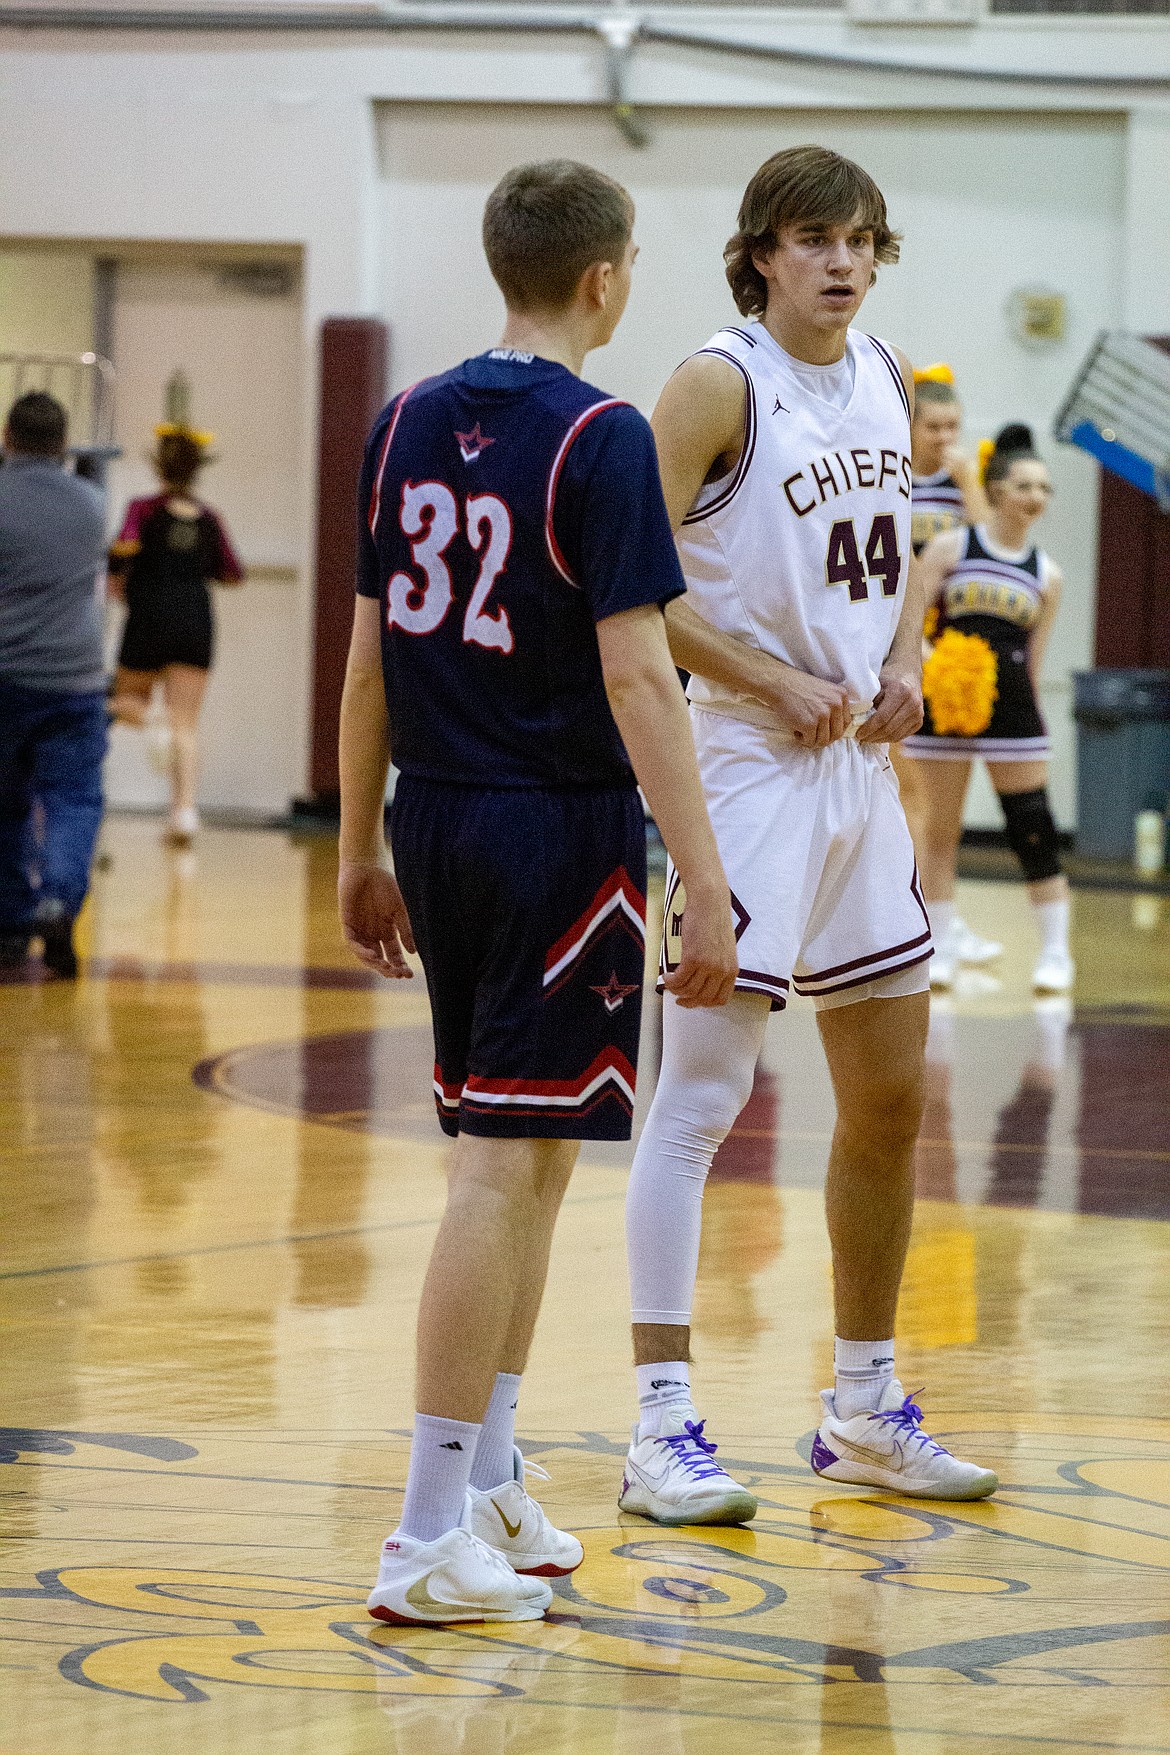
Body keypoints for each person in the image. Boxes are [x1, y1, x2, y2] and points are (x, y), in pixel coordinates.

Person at [338, 159, 738, 1625]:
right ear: (604, 278)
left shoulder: (397, 422)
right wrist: (705, 872)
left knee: (538, 1153)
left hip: (439, 816)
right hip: (551, 832)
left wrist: (353, 847)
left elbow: (370, 654)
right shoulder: (599, 435)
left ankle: (491, 1470)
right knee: (500, 1168)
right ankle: (424, 1530)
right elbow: (641, 670)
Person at [621, 144, 998, 1528]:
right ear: (760, 253)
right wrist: (762, 675)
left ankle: (860, 1402)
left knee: (890, 1099)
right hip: (738, 768)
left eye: (860, 239)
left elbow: (898, 548)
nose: (841, 261)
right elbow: (626, 587)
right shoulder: (712, 382)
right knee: (701, 1102)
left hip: (851, 776)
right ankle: (659, 1422)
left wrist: (903, 653)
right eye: (812, 238)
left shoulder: (890, 376)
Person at [903, 425, 1072, 992]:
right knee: (939, 831)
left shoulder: (1048, 574)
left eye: (1044, 488)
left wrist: (1026, 708)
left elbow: (1034, 659)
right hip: (945, 705)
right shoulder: (954, 546)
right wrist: (935, 661)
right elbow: (912, 614)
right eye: (1025, 485)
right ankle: (942, 943)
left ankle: (1055, 950)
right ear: (995, 488)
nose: (1037, 498)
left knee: (1032, 826)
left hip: (1012, 711)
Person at [893, 364, 1001, 972]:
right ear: (908, 425)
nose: (944, 436)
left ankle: (943, 921)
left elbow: (995, 560)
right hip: (895, 652)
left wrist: (970, 484)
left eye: (954, 426)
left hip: (952, 659)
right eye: (933, 425)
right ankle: (912, 923)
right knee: (912, 798)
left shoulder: (963, 487)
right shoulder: (889, 481)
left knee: (945, 807)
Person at [0, 391, 109, 979]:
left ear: (7, 436)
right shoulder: (92, 504)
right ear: (63, 443)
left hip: (5, 674)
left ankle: (11, 924)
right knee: (73, 801)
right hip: (74, 677)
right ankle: (58, 900)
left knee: (5, 807)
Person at [108, 426, 243, 848]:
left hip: (148, 617)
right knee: (187, 724)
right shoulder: (209, 518)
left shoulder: (142, 510)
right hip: (195, 623)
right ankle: (184, 812)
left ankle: (151, 719)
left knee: (111, 700)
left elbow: (120, 556)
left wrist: (121, 585)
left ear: (158, 465)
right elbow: (232, 573)